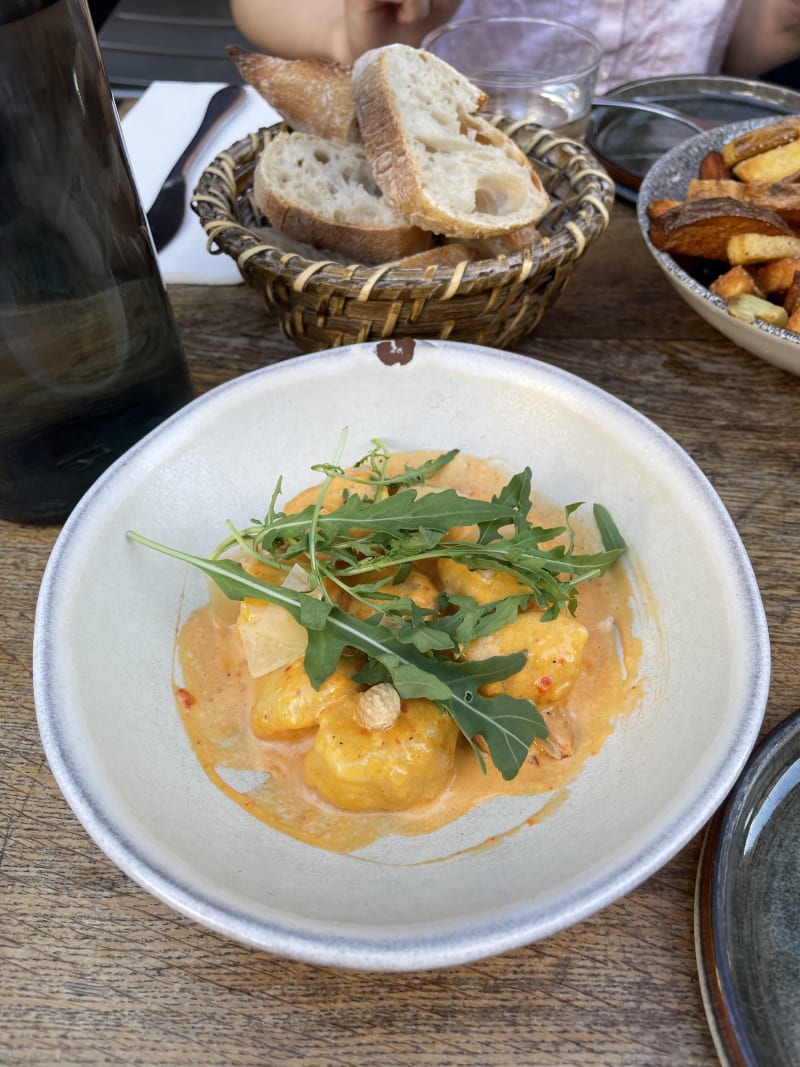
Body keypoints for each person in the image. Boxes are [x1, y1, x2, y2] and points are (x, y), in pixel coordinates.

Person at [229, 0, 800, 95]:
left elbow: (729, 41)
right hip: (441, 161)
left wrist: (779, 20)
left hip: (656, 166)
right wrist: (343, 31)